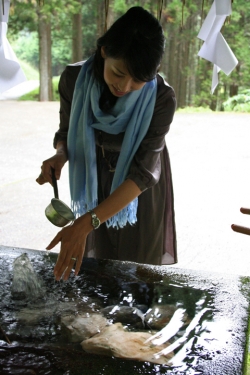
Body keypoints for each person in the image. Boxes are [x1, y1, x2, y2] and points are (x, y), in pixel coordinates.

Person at [36, 6, 177, 281]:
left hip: (138, 190)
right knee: (94, 276)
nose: (125, 86)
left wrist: (85, 224)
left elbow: (143, 173)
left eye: (139, 79)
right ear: (103, 51)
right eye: (119, 72)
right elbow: (66, 132)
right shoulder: (74, 80)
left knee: (139, 280)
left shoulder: (161, 97)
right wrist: (61, 155)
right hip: (93, 179)